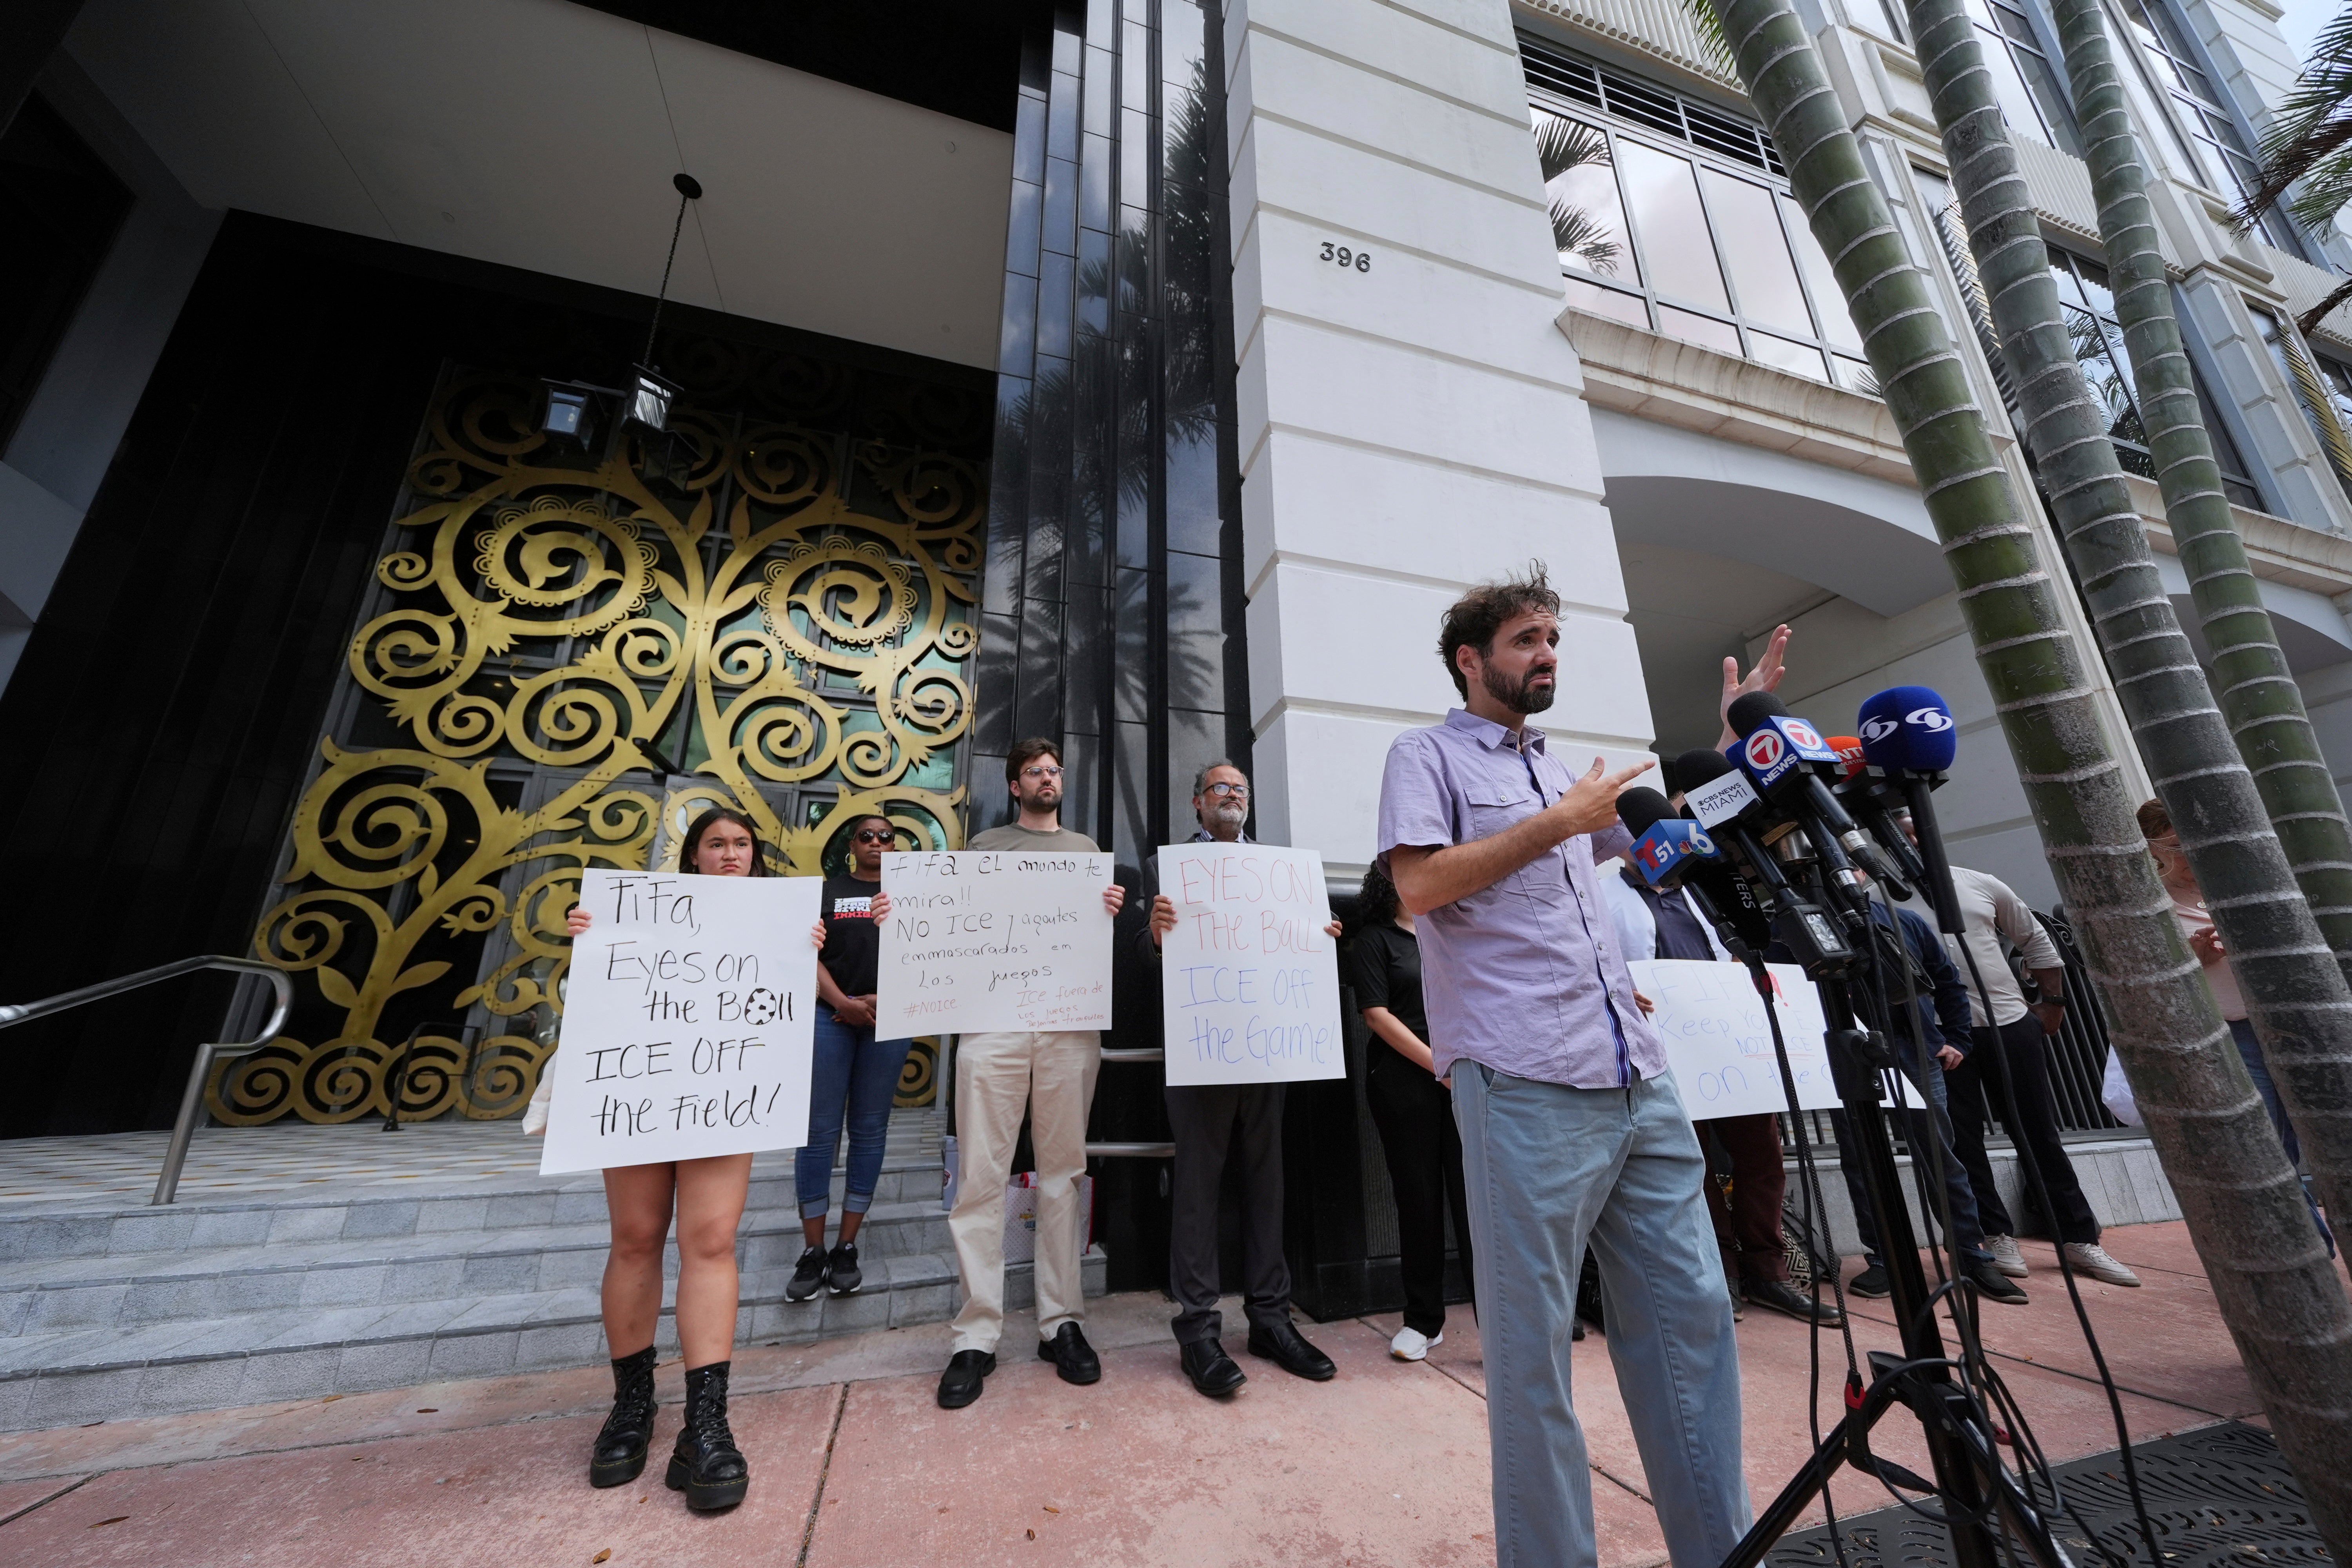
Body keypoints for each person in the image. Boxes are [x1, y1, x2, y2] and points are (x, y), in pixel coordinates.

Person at [1376, 564, 1752, 1568]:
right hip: (1524, 1086)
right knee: (1534, 1361)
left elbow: (1656, 847)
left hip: (1638, 1076)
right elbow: (1414, 888)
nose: (1546, 656)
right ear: (1472, 659)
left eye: (1553, 639)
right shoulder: (1428, 756)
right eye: (1526, 640)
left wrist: (1734, 746)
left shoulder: (1563, 774)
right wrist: (1558, 824)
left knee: (1693, 1330)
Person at [561, 807, 827, 1512]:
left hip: (722, 1094)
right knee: (637, 1238)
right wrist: (588, 939)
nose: (731, 854)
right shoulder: (643, 916)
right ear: (695, 858)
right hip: (641, 1087)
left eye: (742, 844)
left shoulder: (781, 927)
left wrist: (807, 950)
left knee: (710, 1241)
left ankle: (706, 1424)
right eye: (717, 844)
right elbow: (602, 987)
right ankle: (631, 1409)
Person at [936, 738, 1128, 1409]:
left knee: (1063, 1173)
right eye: (1035, 772)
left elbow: (1097, 945)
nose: (1048, 778)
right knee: (980, 1177)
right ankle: (976, 1334)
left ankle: (1061, 1322)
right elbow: (949, 929)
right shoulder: (985, 850)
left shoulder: (1085, 855)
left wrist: (1106, 914)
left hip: (1068, 1023)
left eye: (1055, 771)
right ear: (1015, 786)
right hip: (992, 1024)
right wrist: (902, 921)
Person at [1140, 760, 1342, 1396]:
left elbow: (1295, 946)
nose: (1232, 796)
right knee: (1197, 1189)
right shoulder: (1165, 868)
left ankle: (1270, 1319)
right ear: (1197, 802)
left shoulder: (1282, 877)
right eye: (1220, 788)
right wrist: (1154, 935)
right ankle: (1197, 1329)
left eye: (1241, 790)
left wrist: (1319, 935)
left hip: (1269, 1050)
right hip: (1202, 1051)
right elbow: (1147, 961)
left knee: (1268, 1183)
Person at [1600, 853, 1840, 1325]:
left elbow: (1738, 949)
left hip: (1726, 1040)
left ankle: (1769, 1272)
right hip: (1661, 1046)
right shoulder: (1604, 896)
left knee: (1763, 1157)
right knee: (1695, 1166)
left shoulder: (1704, 891)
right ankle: (1720, 1274)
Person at [1898, 831, 2141, 1287]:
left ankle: (2078, 1238)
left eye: (1918, 830)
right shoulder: (1877, 898)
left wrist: (2053, 1004)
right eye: (1902, 833)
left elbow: (2036, 939)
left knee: (2038, 1132)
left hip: (2009, 1023)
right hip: (1939, 1036)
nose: (1912, 840)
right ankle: (1995, 1234)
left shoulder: (1981, 883)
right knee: (1963, 1140)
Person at [2140, 799, 2333, 1249]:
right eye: (2175, 845)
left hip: (2290, 1027)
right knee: (2267, 1145)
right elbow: (2148, 987)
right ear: (2154, 849)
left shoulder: (2235, 886)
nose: (2189, 853)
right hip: (2231, 1034)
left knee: (2321, 1135)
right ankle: (2306, 1247)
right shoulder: (2151, 907)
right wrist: (2195, 959)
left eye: (2195, 842)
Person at [1827, 887, 2029, 1306]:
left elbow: (1948, 981)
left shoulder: (1905, 921)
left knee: (1941, 1154)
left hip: (1915, 1050)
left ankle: (1970, 1252)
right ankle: (1885, 1257)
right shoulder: (1804, 925)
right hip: (1847, 1054)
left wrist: (1956, 1038)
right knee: (1862, 1159)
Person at [782, 814, 916, 1302]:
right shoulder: (826, 891)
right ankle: (813, 1250)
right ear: (851, 845)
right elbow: (804, 951)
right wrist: (843, 1002)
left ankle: (847, 1245)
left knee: (869, 1129)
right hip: (829, 1017)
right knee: (818, 1133)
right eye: (867, 835)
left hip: (891, 1018)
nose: (878, 841)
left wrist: (881, 1001)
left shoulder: (913, 894)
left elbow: (934, 952)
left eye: (886, 835)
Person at [1349, 858, 1474, 1361]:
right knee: (1419, 1199)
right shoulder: (1374, 940)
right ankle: (1423, 1321)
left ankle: (1502, 1321)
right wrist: (1437, 1065)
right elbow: (1376, 1015)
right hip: (1406, 1083)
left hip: (1467, 1076)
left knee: (1477, 1203)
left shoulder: (1451, 932)